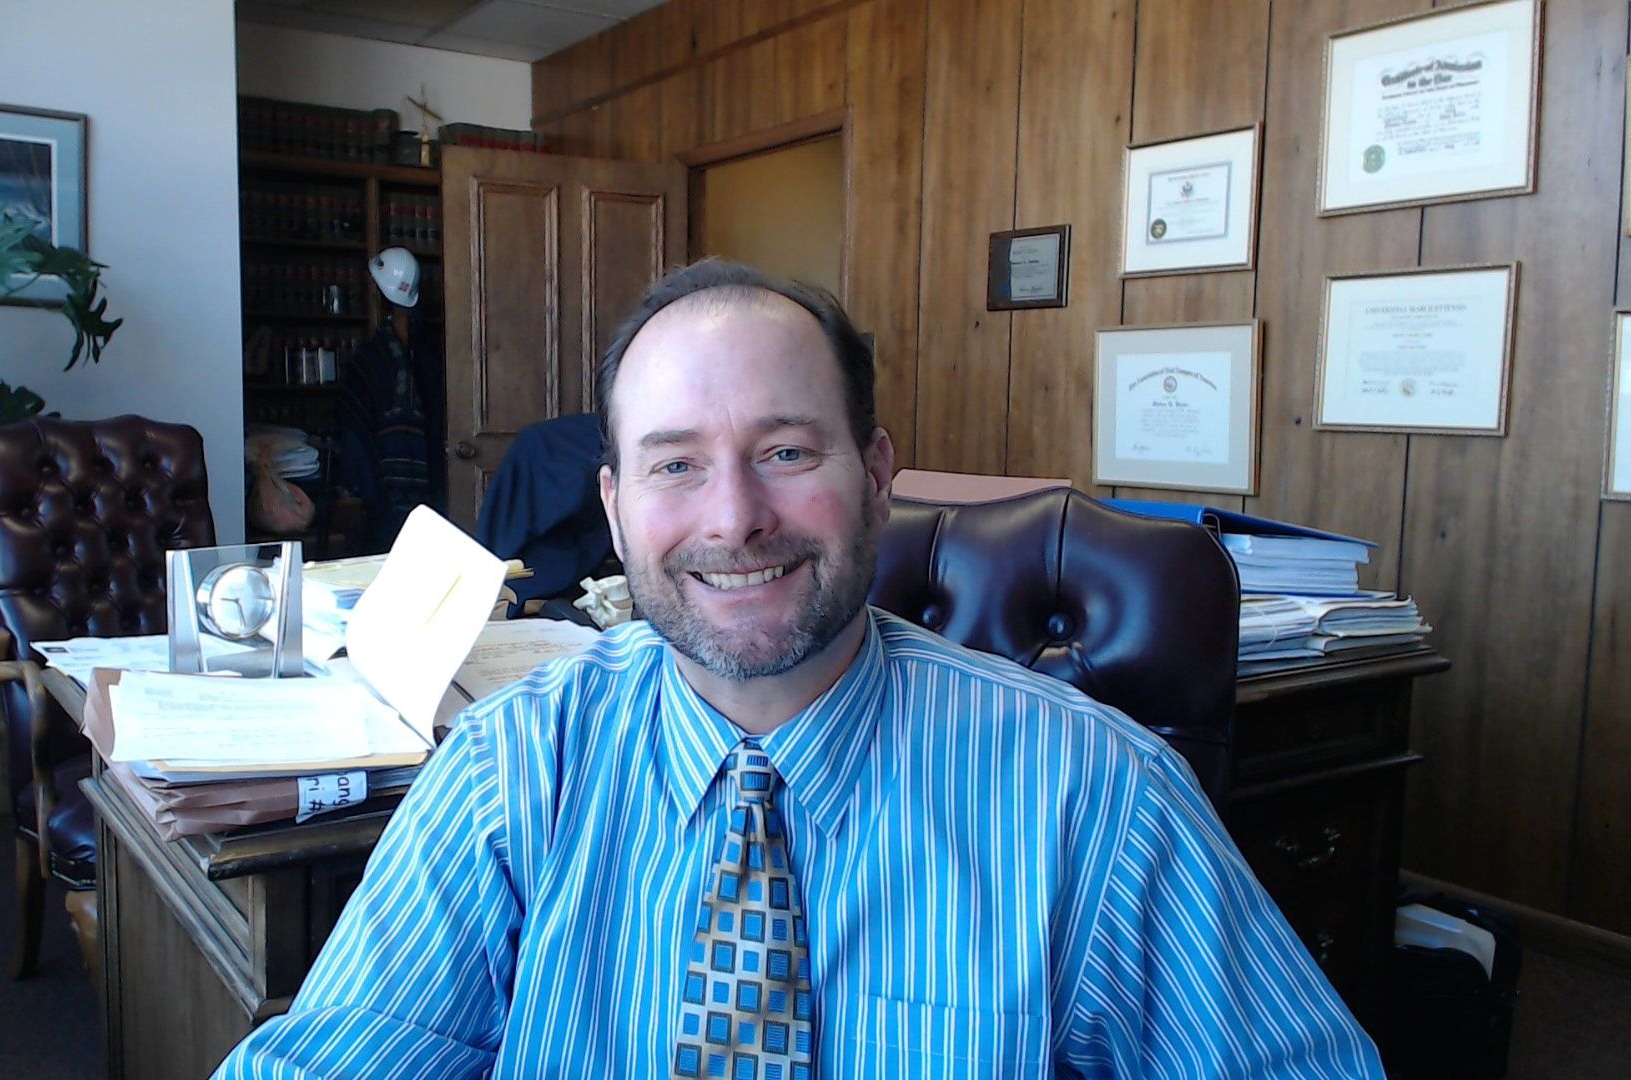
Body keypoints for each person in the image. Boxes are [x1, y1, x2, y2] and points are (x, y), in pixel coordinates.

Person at [213, 260, 1384, 1078]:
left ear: (879, 475)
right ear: (614, 512)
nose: (734, 517)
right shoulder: (510, 775)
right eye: (675, 466)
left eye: (784, 450)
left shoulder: (1095, 798)